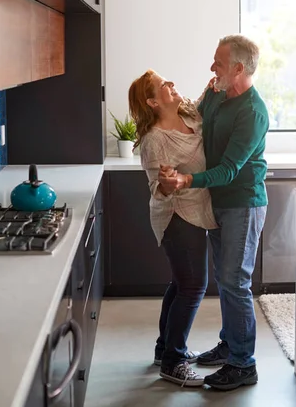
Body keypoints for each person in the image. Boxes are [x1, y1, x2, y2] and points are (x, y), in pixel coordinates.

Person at [159, 34, 269, 391]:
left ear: (239, 68)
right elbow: (196, 123)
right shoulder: (220, 97)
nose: (212, 67)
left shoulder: (252, 111)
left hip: (243, 202)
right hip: (218, 203)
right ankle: (230, 344)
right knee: (225, 280)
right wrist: (202, 97)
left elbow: (228, 170)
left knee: (235, 282)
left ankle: (243, 364)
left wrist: (188, 179)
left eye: (218, 63)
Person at [128, 69, 217, 387]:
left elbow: (203, 101)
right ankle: (173, 361)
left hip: (196, 209)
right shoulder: (155, 140)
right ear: (152, 101)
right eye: (164, 85)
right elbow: (157, 188)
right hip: (177, 216)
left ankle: (164, 349)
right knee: (193, 287)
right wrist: (167, 185)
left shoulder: (188, 112)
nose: (172, 85)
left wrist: (212, 87)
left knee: (181, 283)